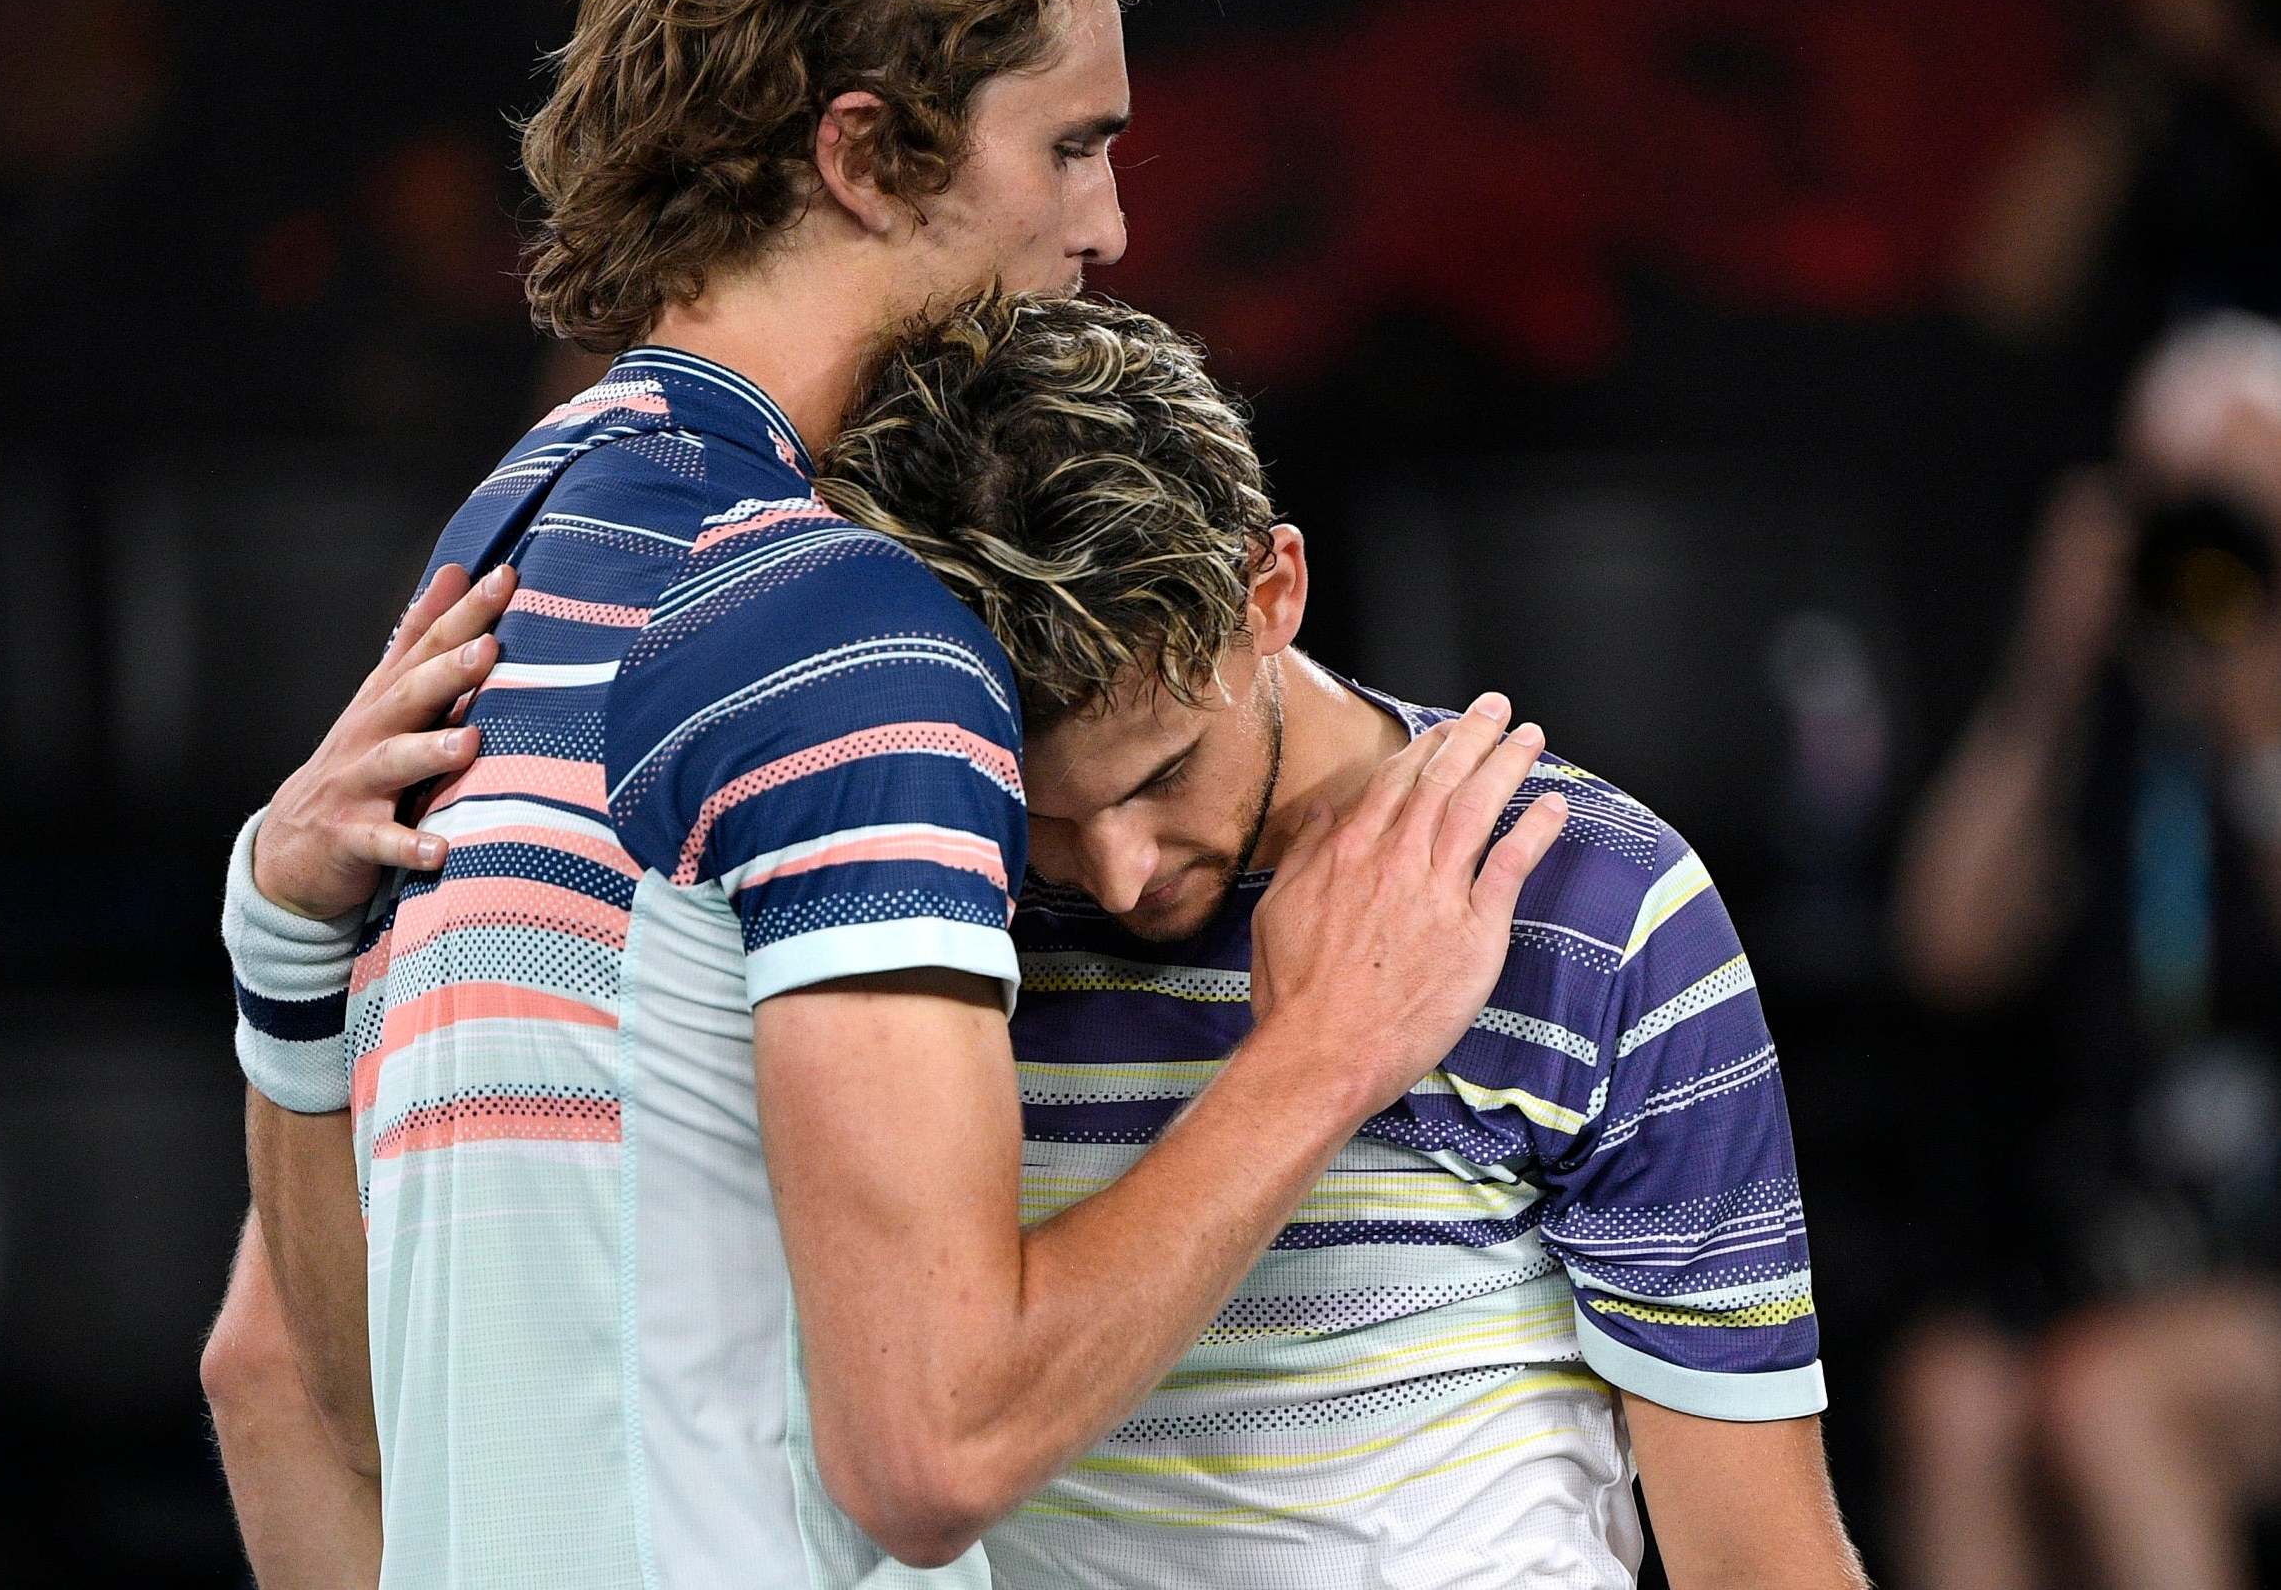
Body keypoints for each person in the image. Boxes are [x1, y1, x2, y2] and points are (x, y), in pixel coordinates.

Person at [201, 0, 1570, 1589]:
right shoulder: (841, 630)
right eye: (1068, 144)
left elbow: (288, 1375)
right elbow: (937, 1442)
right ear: (864, 153)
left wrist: (280, 955)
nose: (1112, 232)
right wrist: (1320, 1051)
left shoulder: (502, 558)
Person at [239, 293, 1869, 1586]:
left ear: (1272, 587)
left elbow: (1756, 1554)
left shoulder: (1590, 907)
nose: (1119, 865)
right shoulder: (881, 891)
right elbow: (311, 1383)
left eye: (1165, 770)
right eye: (1043, 807)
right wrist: (288, 951)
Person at [1886, 311, 2281, 1590]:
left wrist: (2258, 730)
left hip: (2249, 1271)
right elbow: (1945, 947)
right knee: (1954, 1396)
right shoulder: (2108, 730)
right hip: (2136, 1249)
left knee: (2104, 1393)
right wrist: (2048, 668)